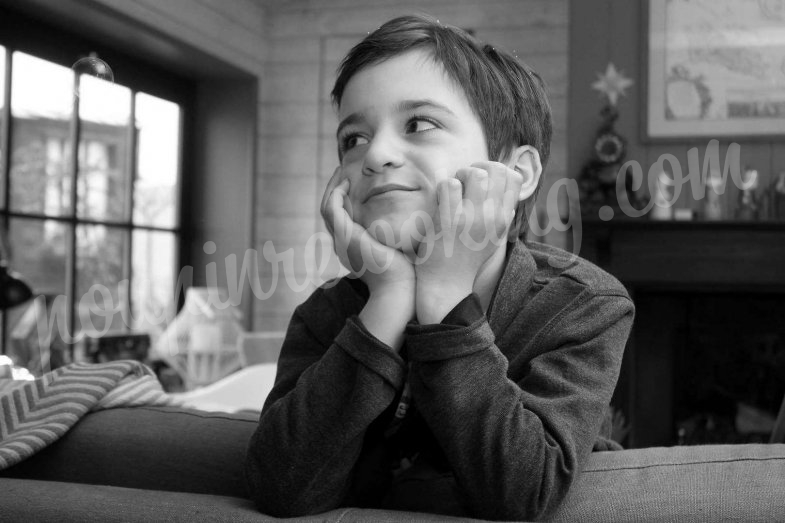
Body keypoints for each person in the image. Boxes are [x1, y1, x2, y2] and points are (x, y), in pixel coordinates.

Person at [245, 14, 634, 521]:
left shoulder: (583, 305)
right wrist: (387, 300)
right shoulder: (327, 315)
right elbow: (281, 487)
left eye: (419, 125)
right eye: (353, 138)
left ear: (516, 174)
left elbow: (523, 495)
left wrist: (445, 297)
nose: (375, 155)